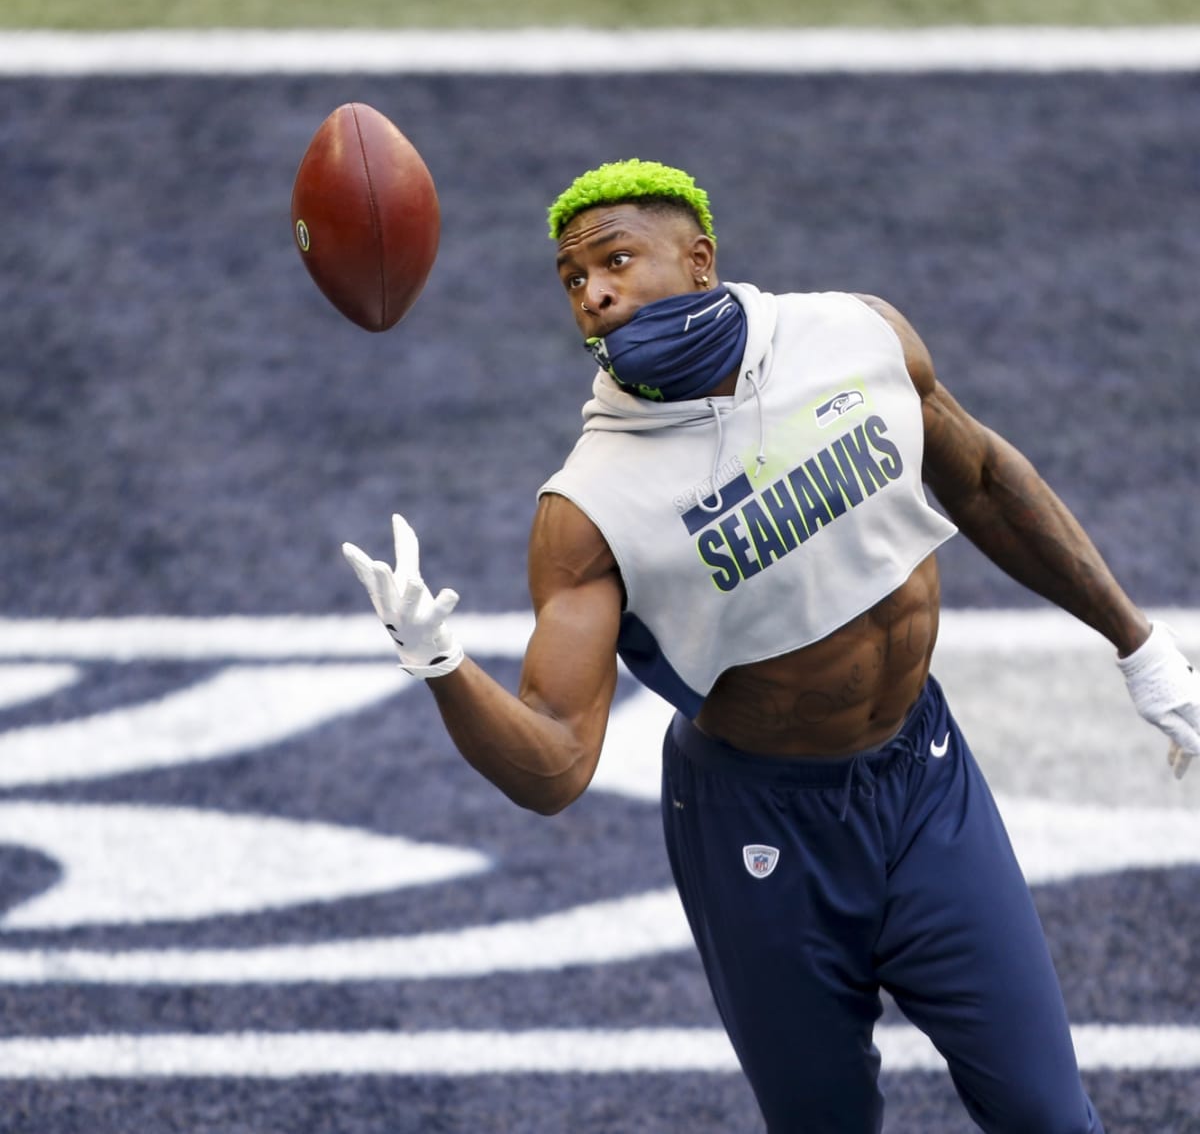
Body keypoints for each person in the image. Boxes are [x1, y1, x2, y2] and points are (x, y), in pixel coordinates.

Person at [342, 159, 1200, 1133]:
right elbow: (555, 765)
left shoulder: (856, 336)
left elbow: (987, 483)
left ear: (699, 261)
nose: (595, 296)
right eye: (574, 283)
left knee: (1052, 1117)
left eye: (614, 261)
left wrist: (1135, 642)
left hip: (924, 780)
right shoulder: (589, 507)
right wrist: (440, 665)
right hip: (758, 825)